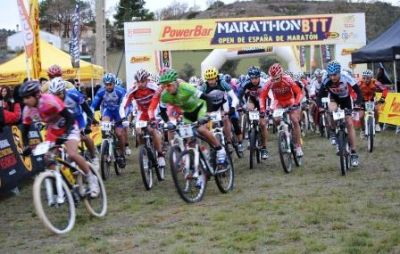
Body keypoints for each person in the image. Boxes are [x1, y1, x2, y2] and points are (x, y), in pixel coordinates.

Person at [20, 80, 100, 199]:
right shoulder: (27, 110)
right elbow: (25, 131)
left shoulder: (49, 100)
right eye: (23, 98)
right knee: (48, 158)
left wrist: (66, 134)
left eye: (27, 97)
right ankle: (64, 186)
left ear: (36, 95)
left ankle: (91, 179)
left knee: (72, 154)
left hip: (69, 125)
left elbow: (70, 117)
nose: (25, 101)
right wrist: (26, 146)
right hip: (52, 130)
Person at [158, 69, 227, 164]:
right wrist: (167, 122)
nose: (167, 88)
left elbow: (207, 98)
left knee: (201, 129)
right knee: (188, 138)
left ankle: (220, 150)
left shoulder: (186, 87)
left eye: (169, 85)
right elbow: (162, 111)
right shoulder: (164, 95)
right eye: (164, 86)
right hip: (187, 113)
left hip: (200, 107)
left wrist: (207, 114)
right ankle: (201, 156)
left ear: (176, 83)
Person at [317, 61, 363, 167]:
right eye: (331, 75)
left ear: (339, 72)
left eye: (335, 74)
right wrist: (320, 106)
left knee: (349, 123)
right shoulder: (326, 79)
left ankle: (354, 152)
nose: (333, 77)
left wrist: (357, 103)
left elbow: (358, 91)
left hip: (346, 100)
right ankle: (333, 132)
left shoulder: (345, 76)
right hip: (334, 99)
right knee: (330, 110)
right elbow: (320, 96)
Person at [48, 77, 100, 168]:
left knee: (84, 136)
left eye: (59, 94)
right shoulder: (51, 100)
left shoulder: (73, 94)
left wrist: (88, 125)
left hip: (78, 117)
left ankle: (94, 156)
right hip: (65, 120)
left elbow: (88, 111)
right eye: (54, 95)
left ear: (64, 91)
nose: (56, 97)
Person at [120, 69, 166, 167]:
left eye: (142, 81)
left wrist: (162, 113)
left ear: (147, 80)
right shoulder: (133, 89)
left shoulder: (153, 86)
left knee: (152, 131)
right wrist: (124, 118)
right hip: (142, 112)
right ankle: (144, 153)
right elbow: (123, 105)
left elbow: (163, 99)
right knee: (138, 131)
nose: (140, 84)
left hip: (153, 110)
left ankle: (160, 155)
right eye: (138, 81)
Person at [260, 63, 304, 157]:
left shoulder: (288, 79)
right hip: (278, 102)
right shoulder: (270, 82)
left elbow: (299, 93)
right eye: (272, 78)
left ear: (281, 75)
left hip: (290, 100)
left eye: (276, 78)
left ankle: (298, 146)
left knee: (294, 120)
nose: (274, 80)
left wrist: (296, 103)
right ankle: (282, 135)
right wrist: (262, 109)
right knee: (276, 119)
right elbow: (262, 96)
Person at [198, 67, 240, 150]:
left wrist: (232, 107)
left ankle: (228, 141)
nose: (211, 81)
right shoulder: (204, 87)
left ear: (216, 77)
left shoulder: (223, 83)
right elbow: (198, 101)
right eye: (209, 79)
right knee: (209, 123)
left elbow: (234, 97)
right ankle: (213, 143)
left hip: (222, 103)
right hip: (211, 106)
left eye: (212, 79)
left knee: (225, 118)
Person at [91, 73, 127, 168]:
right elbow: (93, 105)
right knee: (105, 128)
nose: (108, 86)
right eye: (106, 84)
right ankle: (106, 146)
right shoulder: (101, 91)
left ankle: (122, 153)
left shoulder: (120, 91)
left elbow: (126, 105)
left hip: (119, 111)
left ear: (114, 83)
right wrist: (90, 115)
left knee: (119, 133)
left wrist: (124, 117)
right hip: (108, 111)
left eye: (110, 84)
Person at [238, 66, 270, 159]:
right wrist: (241, 105)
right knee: (248, 110)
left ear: (259, 77)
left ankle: (264, 148)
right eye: (252, 78)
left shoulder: (264, 83)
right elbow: (239, 95)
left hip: (263, 102)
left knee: (263, 124)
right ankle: (250, 130)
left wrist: (268, 108)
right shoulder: (246, 83)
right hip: (253, 100)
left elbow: (271, 97)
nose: (254, 80)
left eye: (256, 78)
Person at [358, 69, 388, 134]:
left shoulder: (375, 82)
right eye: (364, 78)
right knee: (361, 116)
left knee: (376, 109)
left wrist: (382, 98)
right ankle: (363, 130)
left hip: (372, 99)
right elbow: (353, 90)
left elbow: (385, 89)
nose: (366, 80)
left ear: (371, 78)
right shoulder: (360, 82)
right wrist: (355, 99)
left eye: (368, 78)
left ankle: (377, 124)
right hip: (362, 100)